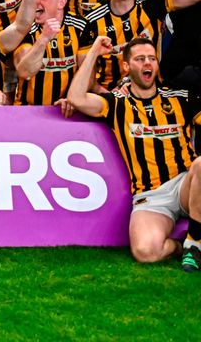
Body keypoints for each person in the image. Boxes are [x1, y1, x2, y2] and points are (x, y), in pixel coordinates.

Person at [67, 37, 201, 270]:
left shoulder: (180, 98)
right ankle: (180, 246)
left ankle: (195, 243)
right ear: (127, 66)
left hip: (186, 184)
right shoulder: (117, 103)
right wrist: (94, 53)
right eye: (140, 59)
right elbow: (76, 98)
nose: (147, 63)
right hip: (151, 194)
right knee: (146, 252)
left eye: (151, 58)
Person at [82, 0, 201, 90]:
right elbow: (85, 75)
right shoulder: (91, 20)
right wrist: (111, 96)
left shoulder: (152, 3)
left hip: (153, 92)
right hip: (109, 98)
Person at [12, 0, 85, 113]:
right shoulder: (25, 28)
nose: (36, 1)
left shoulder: (80, 27)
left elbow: (86, 71)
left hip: (66, 111)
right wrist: (43, 38)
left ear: (61, 3)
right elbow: (24, 72)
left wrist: (74, 99)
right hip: (27, 111)